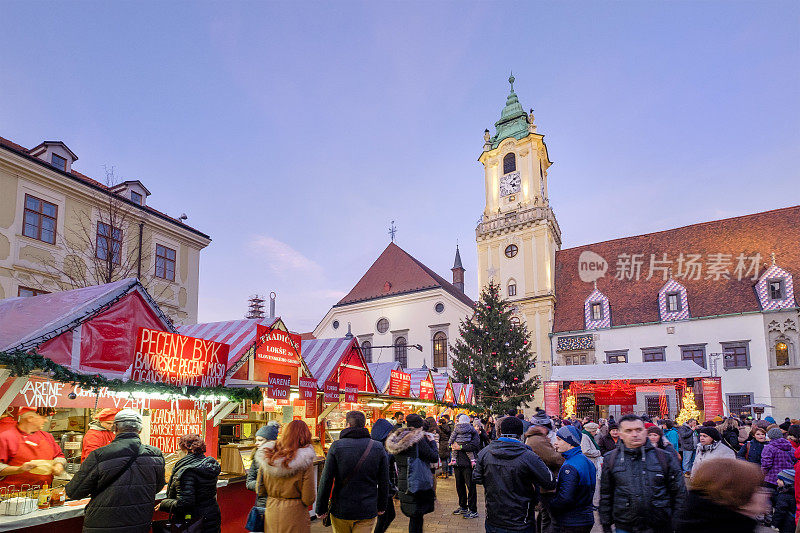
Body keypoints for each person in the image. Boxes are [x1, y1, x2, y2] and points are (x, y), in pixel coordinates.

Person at [66, 409, 165, 533]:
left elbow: (74, 491)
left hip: (102, 525)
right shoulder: (155, 455)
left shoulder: (99, 455)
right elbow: (158, 486)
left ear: (115, 428)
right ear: (140, 430)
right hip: (140, 523)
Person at [599, 414, 686, 533]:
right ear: (621, 434)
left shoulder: (664, 457)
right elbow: (606, 494)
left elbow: (679, 493)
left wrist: (678, 523)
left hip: (660, 525)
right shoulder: (611, 459)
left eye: (638, 430)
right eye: (628, 431)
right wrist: (606, 524)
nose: (634, 434)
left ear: (645, 432)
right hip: (625, 525)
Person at [473, 416, 555, 533]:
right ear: (520, 433)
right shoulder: (529, 456)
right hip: (521, 520)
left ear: (500, 431)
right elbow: (549, 481)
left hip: (495, 517)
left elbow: (477, 477)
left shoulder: (485, 453)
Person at [316, 410, 389, 532]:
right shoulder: (377, 447)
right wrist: (382, 505)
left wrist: (321, 508)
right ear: (364, 425)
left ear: (347, 424)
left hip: (341, 508)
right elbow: (383, 480)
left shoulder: (336, 446)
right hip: (367, 508)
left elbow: (326, 479)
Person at [676, 458, 768, 533]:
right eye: (758, 488)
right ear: (737, 494)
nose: (766, 493)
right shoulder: (737, 526)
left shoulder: (692, 521)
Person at [256, 420, 316, 533]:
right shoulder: (305, 460)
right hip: (295, 515)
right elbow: (308, 498)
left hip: (271, 511)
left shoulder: (269, 455)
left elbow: (259, 489)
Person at [385, 413, 440, 533]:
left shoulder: (398, 438)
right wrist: (432, 442)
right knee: (417, 518)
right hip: (417, 482)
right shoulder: (418, 440)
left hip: (404, 482)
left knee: (414, 517)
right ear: (419, 427)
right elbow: (434, 457)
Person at [157, 434, 221, 533]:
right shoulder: (208, 465)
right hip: (211, 517)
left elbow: (184, 504)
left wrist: (164, 504)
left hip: (192, 521)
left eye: (179, 450)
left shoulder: (186, 471)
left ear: (187, 450)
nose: (177, 453)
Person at [0, 407, 66, 490]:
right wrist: (19, 469)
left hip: (42, 493)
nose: (46, 421)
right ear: (30, 418)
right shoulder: (6, 437)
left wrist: (58, 465)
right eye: (43, 417)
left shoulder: (47, 437)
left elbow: (59, 456)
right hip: (12, 495)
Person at [547, 425, 596, 533]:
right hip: (585, 517)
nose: (555, 443)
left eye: (559, 439)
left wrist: (551, 506)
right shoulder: (586, 460)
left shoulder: (570, 466)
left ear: (570, 442)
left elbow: (565, 498)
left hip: (572, 521)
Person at [448, 413, 481, 518]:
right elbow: (451, 442)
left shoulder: (473, 431)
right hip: (457, 463)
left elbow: (474, 445)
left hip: (468, 464)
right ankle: (463, 506)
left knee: (471, 486)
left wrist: (460, 447)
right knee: (459, 486)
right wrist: (451, 446)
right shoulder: (456, 430)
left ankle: (473, 510)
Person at [371, 419, 398, 533]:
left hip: (383, 488)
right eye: (389, 432)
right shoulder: (379, 448)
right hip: (381, 489)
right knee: (385, 516)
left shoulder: (382, 446)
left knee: (388, 515)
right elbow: (383, 472)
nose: (391, 434)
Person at [246, 421, 279, 509]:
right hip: (262, 504)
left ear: (271, 441)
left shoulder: (282, 458)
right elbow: (249, 482)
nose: (256, 443)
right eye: (256, 440)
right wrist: (261, 486)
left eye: (260, 440)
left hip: (278, 505)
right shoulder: (256, 458)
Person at [772, 469, 796, 533]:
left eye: (780, 479)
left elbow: (779, 511)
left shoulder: (784, 495)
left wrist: (774, 524)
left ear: (786, 482)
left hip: (787, 524)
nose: (777, 481)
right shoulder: (793, 492)